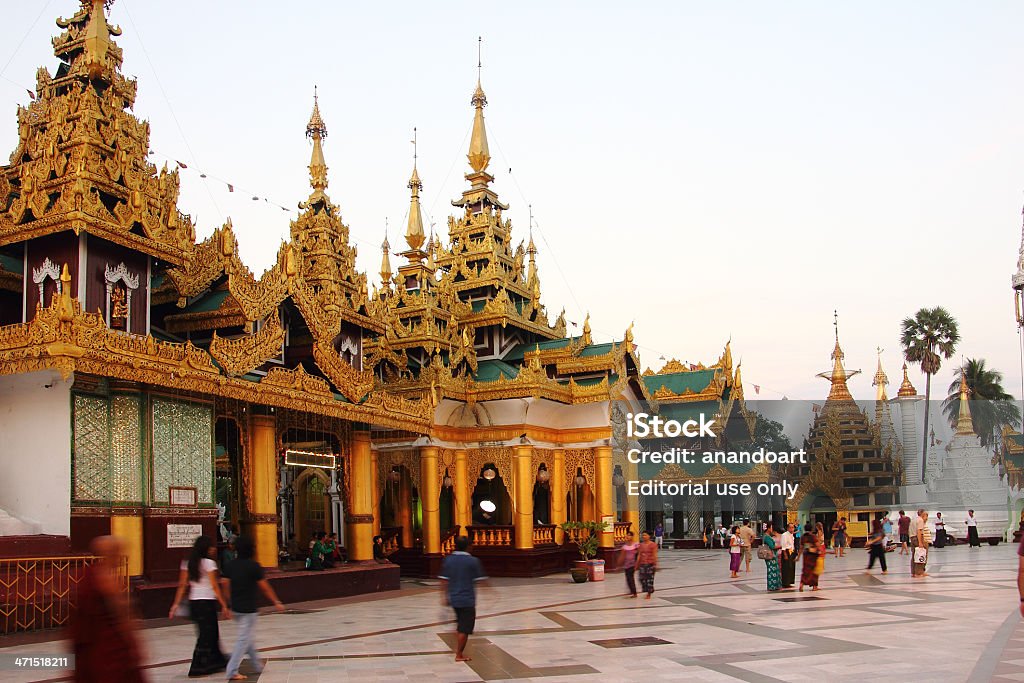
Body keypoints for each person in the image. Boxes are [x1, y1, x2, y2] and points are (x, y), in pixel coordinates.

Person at [70, 536, 147, 683]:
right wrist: (135, 644)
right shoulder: (108, 580)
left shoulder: (91, 573)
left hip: (93, 644)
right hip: (108, 647)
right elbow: (122, 615)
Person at [223, 536, 285, 681]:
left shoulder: (230, 566)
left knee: (247, 637)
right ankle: (232, 670)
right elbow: (265, 588)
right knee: (243, 639)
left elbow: (225, 586)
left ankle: (256, 665)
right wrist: (276, 601)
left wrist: (227, 604)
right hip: (248, 609)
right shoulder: (254, 566)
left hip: (236, 608)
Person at [169, 535, 231, 677]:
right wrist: (224, 605)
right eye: (211, 547)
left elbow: (182, 585)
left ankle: (216, 662)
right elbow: (215, 586)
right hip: (206, 601)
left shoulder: (187, 563)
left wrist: (175, 604)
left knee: (210, 632)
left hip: (195, 602)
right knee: (207, 635)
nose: (213, 549)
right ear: (206, 548)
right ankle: (199, 666)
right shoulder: (209, 564)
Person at [438, 536, 487, 662]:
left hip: (453, 598)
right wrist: (491, 592)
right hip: (467, 599)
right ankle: (459, 654)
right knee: (464, 629)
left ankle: (458, 638)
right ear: (468, 546)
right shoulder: (473, 561)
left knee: (460, 624)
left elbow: (444, 580)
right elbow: (481, 580)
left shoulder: (448, 560)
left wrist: (443, 596)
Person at [637, 530, 658, 598]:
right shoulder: (641, 545)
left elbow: (654, 555)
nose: (644, 536)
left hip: (650, 564)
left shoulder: (653, 545)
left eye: (645, 535)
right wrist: (637, 564)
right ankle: (648, 589)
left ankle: (649, 593)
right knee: (641, 578)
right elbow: (639, 555)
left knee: (649, 579)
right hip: (642, 564)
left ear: (649, 536)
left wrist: (655, 564)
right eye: (643, 535)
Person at [761, 522, 781, 592]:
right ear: (768, 528)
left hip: (771, 555)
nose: (772, 529)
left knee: (773, 570)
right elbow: (772, 546)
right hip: (771, 556)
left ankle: (774, 585)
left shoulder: (766, 536)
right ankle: (772, 585)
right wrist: (780, 546)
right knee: (772, 570)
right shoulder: (767, 537)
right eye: (771, 527)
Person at [910, 508, 929, 578]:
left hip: (912, 538)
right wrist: (920, 542)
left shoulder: (913, 520)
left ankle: (913, 572)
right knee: (921, 554)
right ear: (922, 514)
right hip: (918, 538)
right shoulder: (920, 520)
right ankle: (919, 572)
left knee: (914, 555)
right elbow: (919, 531)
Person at [779, 523, 797, 588]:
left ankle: (790, 582)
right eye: (790, 527)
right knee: (786, 567)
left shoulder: (792, 535)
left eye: (793, 527)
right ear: (787, 528)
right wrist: (785, 554)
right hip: (786, 552)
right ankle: (785, 583)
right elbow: (783, 545)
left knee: (791, 567)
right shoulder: (784, 535)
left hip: (791, 551)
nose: (792, 529)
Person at [621, 532, 638, 597]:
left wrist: (637, 563)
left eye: (629, 535)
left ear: (632, 536)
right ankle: (632, 591)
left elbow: (639, 554)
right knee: (628, 578)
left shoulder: (636, 545)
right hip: (626, 565)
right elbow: (622, 556)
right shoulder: (625, 546)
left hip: (632, 564)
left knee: (631, 578)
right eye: (627, 535)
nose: (627, 537)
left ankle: (634, 592)